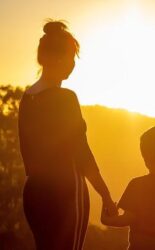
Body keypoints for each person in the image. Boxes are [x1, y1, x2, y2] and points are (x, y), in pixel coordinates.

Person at [18, 21, 118, 250]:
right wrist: (105, 194)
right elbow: (81, 152)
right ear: (60, 59)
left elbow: (27, 154)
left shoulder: (27, 99)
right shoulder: (65, 98)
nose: (73, 65)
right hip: (65, 193)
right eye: (72, 58)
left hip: (34, 193)